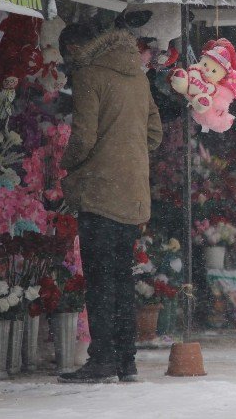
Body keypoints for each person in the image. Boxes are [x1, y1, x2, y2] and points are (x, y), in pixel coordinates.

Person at [57, 27, 162, 383]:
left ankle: (102, 358)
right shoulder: (138, 78)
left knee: (100, 280)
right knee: (121, 278)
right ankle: (126, 360)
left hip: (100, 192)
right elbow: (154, 134)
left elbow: (83, 137)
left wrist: (68, 164)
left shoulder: (89, 75)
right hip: (132, 194)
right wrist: (128, 156)